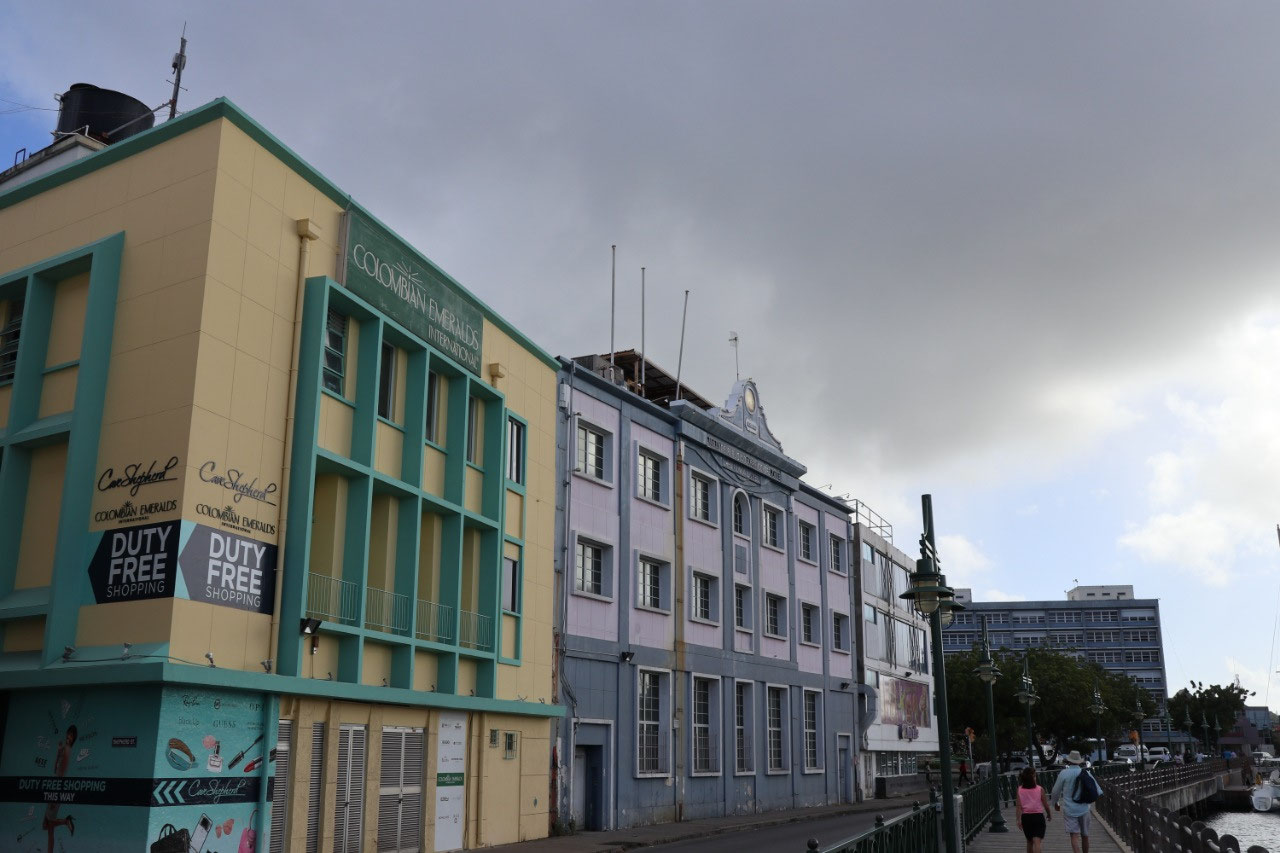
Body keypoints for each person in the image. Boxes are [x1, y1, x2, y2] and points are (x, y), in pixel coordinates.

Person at [1050, 750, 1097, 853]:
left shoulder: (1064, 773)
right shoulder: (1086, 773)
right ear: (1079, 762)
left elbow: (1055, 791)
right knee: (1085, 835)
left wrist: (1055, 803)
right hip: (1084, 808)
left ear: (1068, 761)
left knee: (1074, 836)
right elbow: (1097, 790)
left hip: (1069, 809)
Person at [43, 724, 77, 849]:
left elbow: (61, 772)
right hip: (55, 785)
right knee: (47, 826)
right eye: (68, 733)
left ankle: (65, 821)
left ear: (74, 739)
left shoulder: (67, 749)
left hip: (57, 787)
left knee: (48, 826)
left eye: (72, 735)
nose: (69, 736)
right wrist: (58, 752)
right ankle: (65, 821)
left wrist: (55, 795)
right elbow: (55, 768)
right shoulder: (64, 748)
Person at [1015, 766, 1051, 853]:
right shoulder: (1040, 789)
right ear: (1032, 777)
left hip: (1026, 818)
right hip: (1038, 817)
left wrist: (1019, 819)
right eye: (1035, 776)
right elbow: (1046, 805)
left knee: (1029, 841)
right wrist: (1049, 814)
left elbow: (1018, 806)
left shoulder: (1019, 790)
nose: (1036, 778)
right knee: (1037, 842)